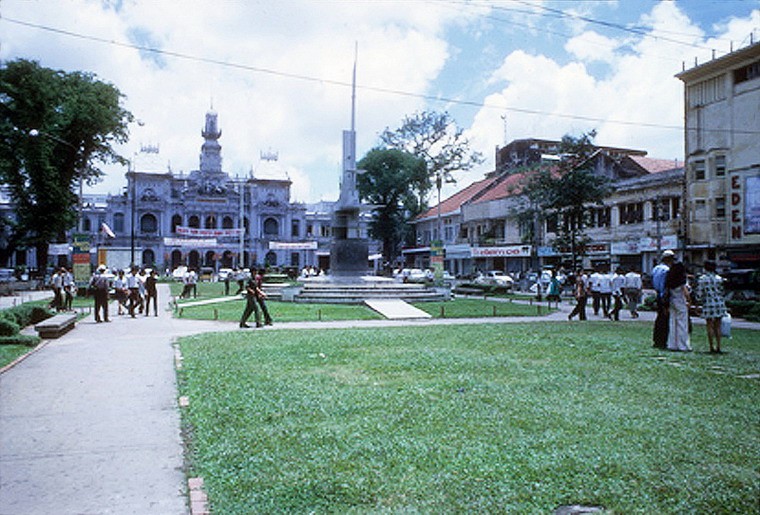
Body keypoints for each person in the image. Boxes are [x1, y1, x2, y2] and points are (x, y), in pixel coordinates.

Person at [695, 261, 727, 354]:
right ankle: (719, 346)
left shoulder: (702, 279)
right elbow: (722, 291)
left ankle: (711, 346)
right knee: (718, 325)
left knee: (709, 325)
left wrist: (697, 303)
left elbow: (699, 293)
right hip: (719, 302)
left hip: (708, 303)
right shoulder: (719, 278)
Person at [665, 261, 691, 352]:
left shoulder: (669, 278)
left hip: (672, 300)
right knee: (682, 324)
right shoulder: (682, 279)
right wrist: (689, 301)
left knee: (672, 323)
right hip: (681, 301)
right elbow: (686, 292)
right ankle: (683, 345)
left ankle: (672, 344)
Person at [652, 250, 675, 348]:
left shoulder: (656, 269)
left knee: (659, 318)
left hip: (658, 294)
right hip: (664, 296)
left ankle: (657, 339)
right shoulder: (666, 270)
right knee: (665, 319)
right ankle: (662, 340)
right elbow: (665, 286)